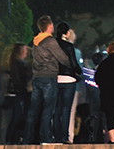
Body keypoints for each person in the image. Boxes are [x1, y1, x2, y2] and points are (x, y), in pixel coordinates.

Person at [25, 15, 72, 144]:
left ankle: (28, 138)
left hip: (37, 77)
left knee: (33, 109)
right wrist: (70, 63)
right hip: (49, 77)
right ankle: (45, 137)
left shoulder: (35, 41)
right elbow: (62, 57)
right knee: (48, 108)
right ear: (50, 26)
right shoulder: (50, 41)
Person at [53, 22, 82, 143]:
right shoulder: (69, 46)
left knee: (57, 109)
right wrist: (79, 73)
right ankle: (65, 136)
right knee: (66, 109)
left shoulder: (53, 45)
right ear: (67, 32)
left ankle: (56, 135)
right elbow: (74, 64)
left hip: (55, 79)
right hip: (69, 79)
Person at [6, 43, 31, 145]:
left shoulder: (23, 63)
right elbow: (17, 79)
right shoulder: (16, 64)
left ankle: (15, 138)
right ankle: (10, 138)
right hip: (19, 93)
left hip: (23, 93)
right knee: (17, 116)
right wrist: (24, 88)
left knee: (21, 116)